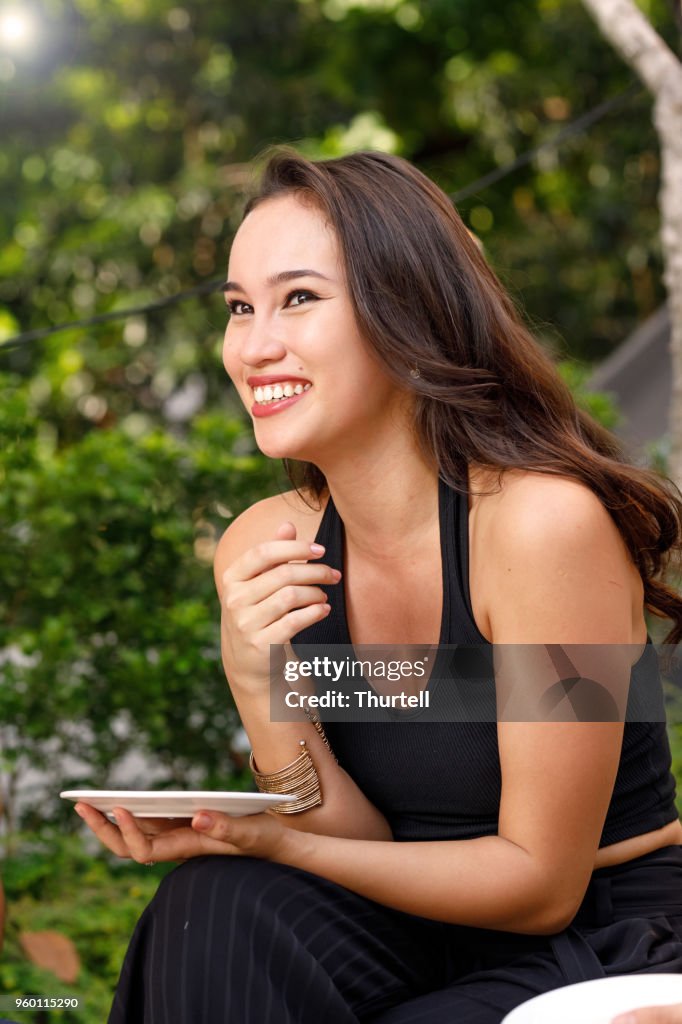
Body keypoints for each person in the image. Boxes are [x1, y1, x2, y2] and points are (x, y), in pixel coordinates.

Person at [74, 149, 682, 1024]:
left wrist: (271, 840)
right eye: (240, 307)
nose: (253, 345)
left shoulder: (541, 528)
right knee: (211, 908)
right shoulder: (269, 542)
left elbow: (540, 883)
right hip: (406, 918)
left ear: (411, 311)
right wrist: (255, 682)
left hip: (598, 932)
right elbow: (351, 840)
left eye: (299, 298)